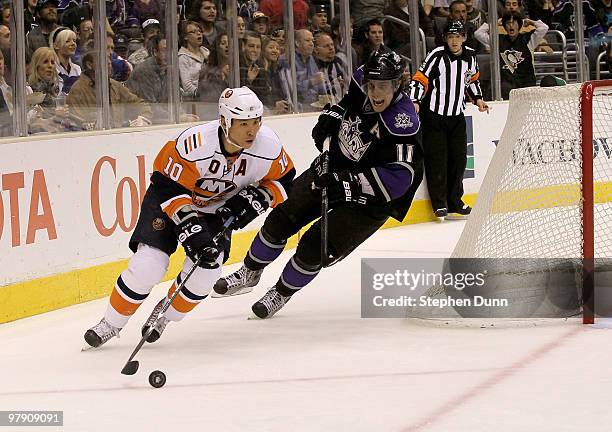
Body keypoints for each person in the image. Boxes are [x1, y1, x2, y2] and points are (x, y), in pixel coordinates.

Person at [213, 51, 423, 320]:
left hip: (374, 198)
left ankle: (281, 292)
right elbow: (348, 103)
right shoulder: (362, 83)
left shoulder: (401, 122)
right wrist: (332, 117)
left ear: (397, 85)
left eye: (382, 86)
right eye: (372, 85)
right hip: (333, 167)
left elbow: (399, 179)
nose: (374, 92)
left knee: (314, 247)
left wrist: (347, 184)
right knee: (282, 217)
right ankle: (250, 271)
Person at [83, 87, 296, 347]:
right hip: (168, 201)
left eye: (256, 122)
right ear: (225, 122)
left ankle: (164, 314)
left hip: (217, 211)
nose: (251, 131)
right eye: (243, 124)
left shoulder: (268, 147)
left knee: (206, 275)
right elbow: (167, 185)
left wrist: (257, 200)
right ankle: (111, 323)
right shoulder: (193, 144)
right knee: (148, 265)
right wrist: (192, 230)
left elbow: (285, 180)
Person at [410, 20, 489, 220]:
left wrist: (478, 99)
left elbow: (472, 80)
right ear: (445, 38)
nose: (454, 41)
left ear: (464, 37)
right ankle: (440, 203)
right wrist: (415, 100)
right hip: (434, 117)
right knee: (437, 159)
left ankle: (455, 201)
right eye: (450, 37)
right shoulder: (436, 56)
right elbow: (420, 79)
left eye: (458, 36)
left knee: (459, 160)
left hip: (456, 117)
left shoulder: (470, 56)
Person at [474, 11, 548, 98]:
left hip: (526, 82)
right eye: (508, 23)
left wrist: (531, 22)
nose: (511, 26)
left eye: (514, 23)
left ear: (520, 24)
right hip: (507, 85)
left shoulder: (528, 39)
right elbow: (478, 33)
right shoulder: (498, 40)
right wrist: (495, 23)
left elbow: (544, 28)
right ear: (504, 25)